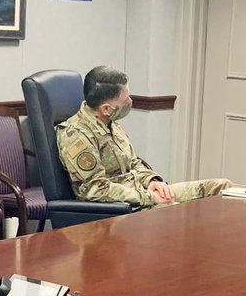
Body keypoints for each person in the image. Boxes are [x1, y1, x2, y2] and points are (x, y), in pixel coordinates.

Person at [57, 67, 230, 206]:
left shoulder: (109, 123)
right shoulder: (76, 136)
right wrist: (148, 197)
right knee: (182, 215)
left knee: (223, 187)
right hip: (123, 208)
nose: (129, 102)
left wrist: (151, 181)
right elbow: (95, 189)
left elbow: (133, 162)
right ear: (106, 108)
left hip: (143, 192)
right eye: (125, 100)